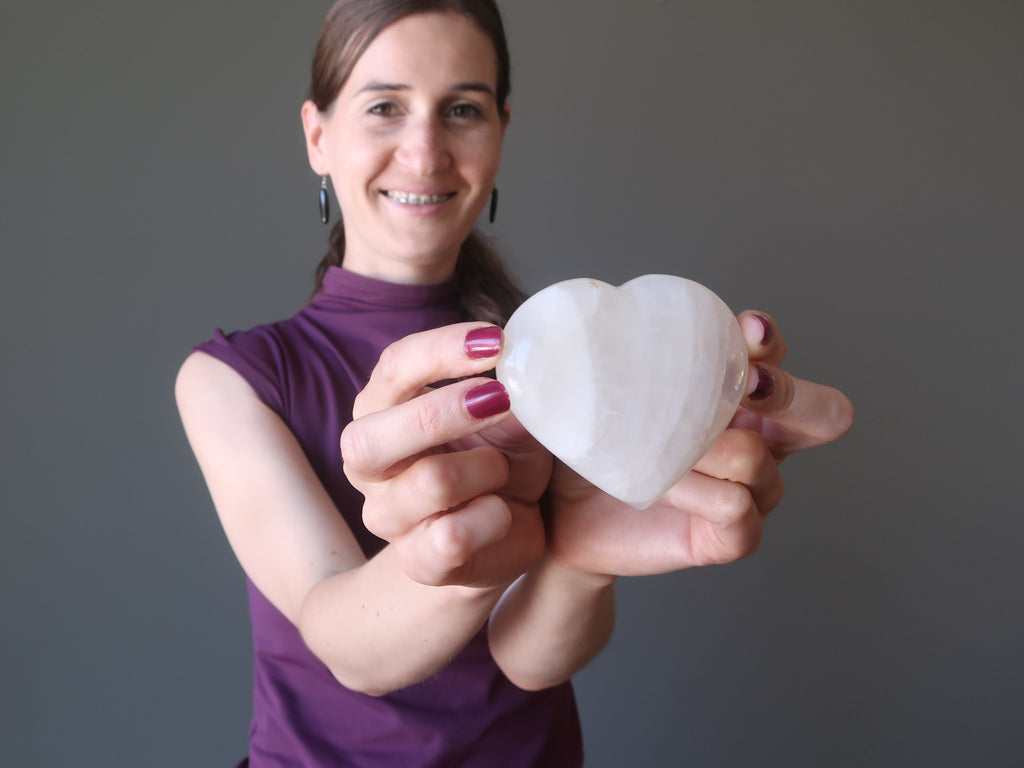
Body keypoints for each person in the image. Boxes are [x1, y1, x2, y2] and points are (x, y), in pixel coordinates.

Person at [175, 1, 854, 766]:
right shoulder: (235, 378)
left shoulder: (567, 364)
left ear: (500, 132)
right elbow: (348, 645)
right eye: (385, 107)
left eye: (462, 108)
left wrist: (577, 559)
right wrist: (459, 564)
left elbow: (529, 662)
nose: (425, 151)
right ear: (318, 136)